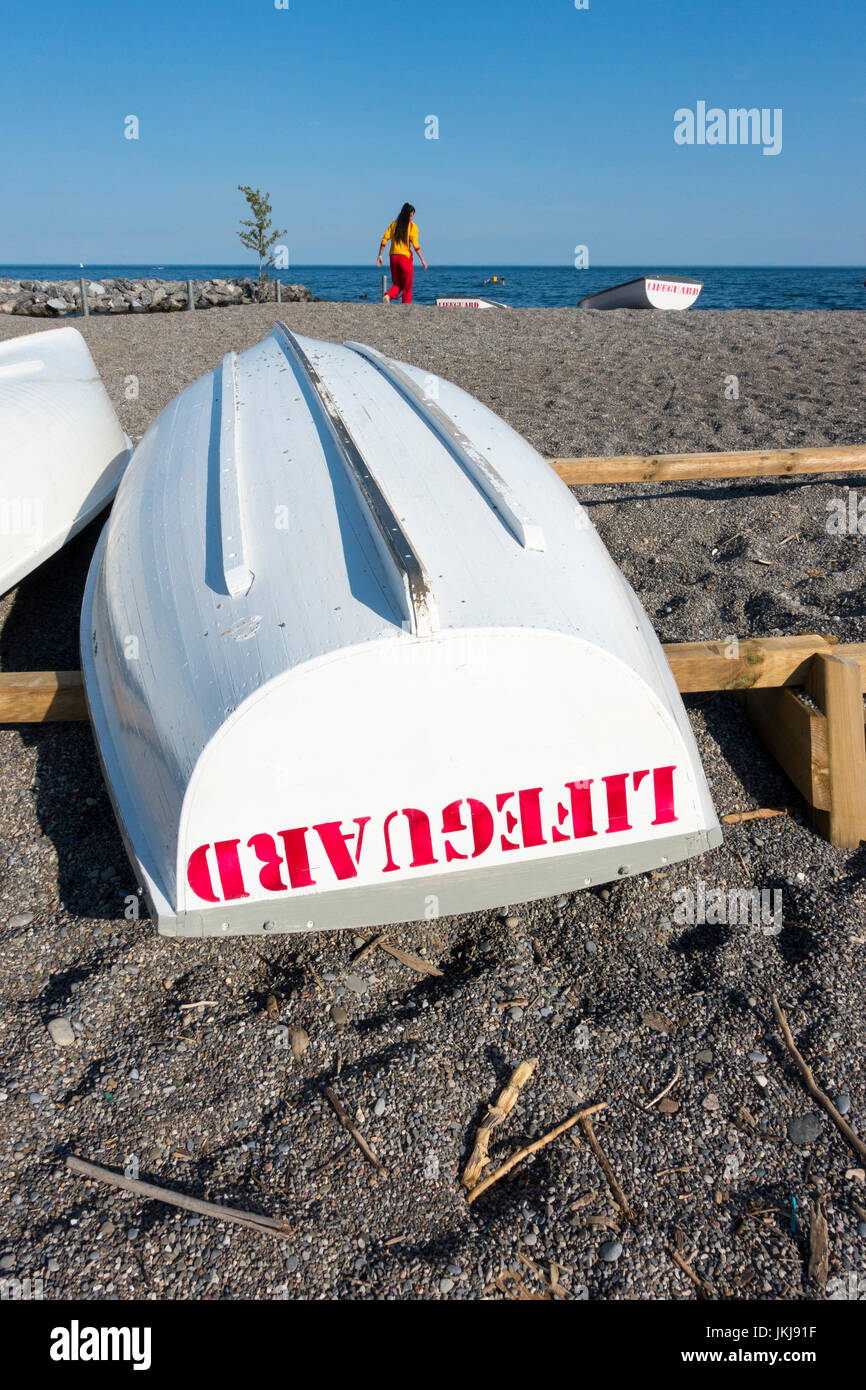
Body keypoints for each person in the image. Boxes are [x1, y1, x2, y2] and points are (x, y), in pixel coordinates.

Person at [377, 202, 427, 304]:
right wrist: (422, 260)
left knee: (398, 283)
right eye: (411, 215)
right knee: (407, 286)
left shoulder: (393, 224)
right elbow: (415, 245)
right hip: (405, 259)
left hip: (393, 258)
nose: (412, 217)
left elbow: (384, 239)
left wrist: (380, 255)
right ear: (407, 214)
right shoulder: (412, 227)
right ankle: (406, 306)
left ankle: (388, 296)